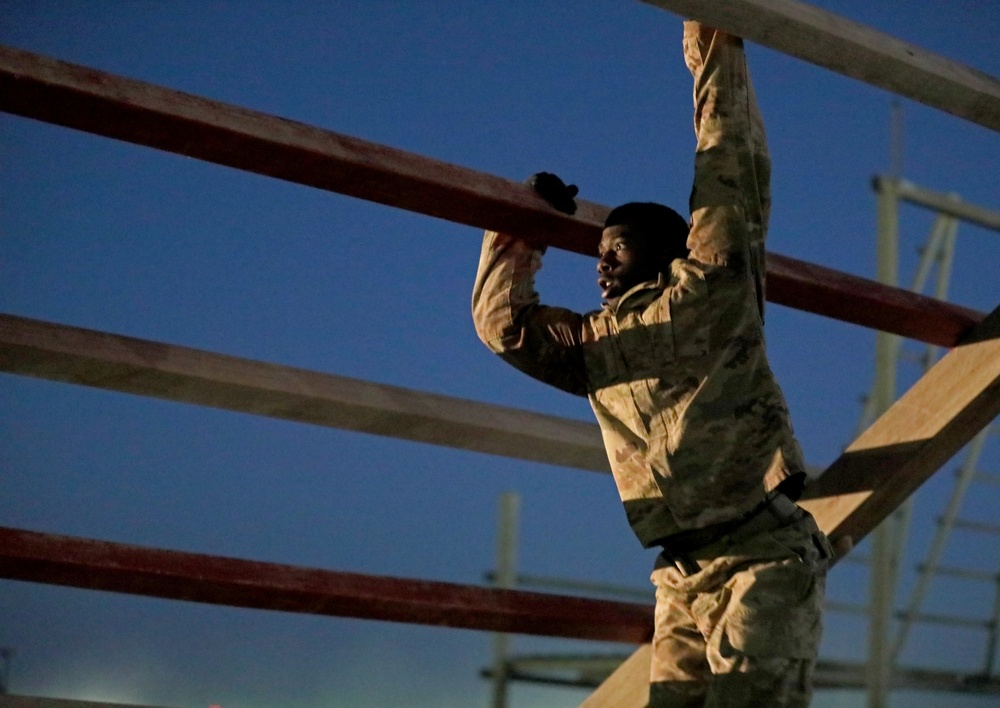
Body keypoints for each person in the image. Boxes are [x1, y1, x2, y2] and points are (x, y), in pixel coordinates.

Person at [472, 19, 834, 708]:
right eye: (598, 251)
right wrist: (524, 226)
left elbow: (729, 153)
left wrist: (710, 27)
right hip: (679, 572)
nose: (603, 261)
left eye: (621, 246)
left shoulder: (713, 287)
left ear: (670, 251)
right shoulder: (592, 346)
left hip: (763, 557)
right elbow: (503, 327)